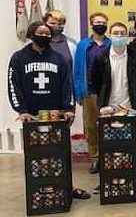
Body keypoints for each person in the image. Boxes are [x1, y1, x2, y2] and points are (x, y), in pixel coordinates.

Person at [8, 22, 89, 200]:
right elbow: (14, 85)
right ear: (31, 34)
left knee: (60, 153)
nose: (44, 36)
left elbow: (66, 85)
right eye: (40, 32)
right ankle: (40, 189)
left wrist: (67, 109)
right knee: (37, 155)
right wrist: (21, 110)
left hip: (55, 116)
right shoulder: (19, 58)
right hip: (33, 117)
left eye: (47, 33)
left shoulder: (58, 58)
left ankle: (66, 187)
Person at [91, 22, 136, 191]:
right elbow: (96, 80)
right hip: (109, 108)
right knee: (108, 146)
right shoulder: (101, 56)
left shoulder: (135, 55)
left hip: (130, 106)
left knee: (132, 144)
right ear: (110, 34)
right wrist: (103, 101)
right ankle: (106, 179)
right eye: (115, 33)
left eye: (122, 33)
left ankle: (135, 178)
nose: (119, 36)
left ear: (127, 36)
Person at [74, 12, 111, 174]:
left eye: (103, 22)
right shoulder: (83, 45)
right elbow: (77, 71)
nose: (100, 24)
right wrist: (78, 93)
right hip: (89, 91)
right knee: (91, 126)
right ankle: (95, 158)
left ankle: (110, 157)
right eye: (97, 22)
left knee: (109, 126)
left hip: (109, 93)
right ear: (91, 24)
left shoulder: (111, 43)